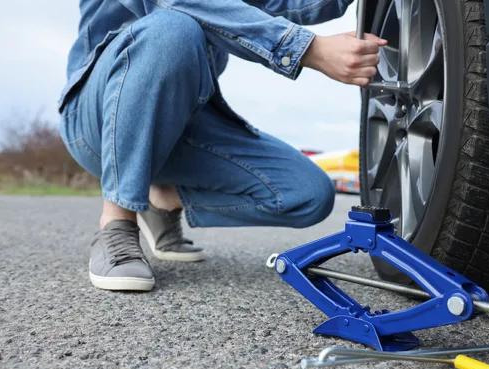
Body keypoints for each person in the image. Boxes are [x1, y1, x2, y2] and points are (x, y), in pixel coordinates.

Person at [58, 0, 387, 292]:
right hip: (101, 119)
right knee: (173, 28)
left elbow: (286, 3)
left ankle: (162, 200)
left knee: (308, 194)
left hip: (185, 120)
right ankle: (117, 219)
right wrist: (307, 48)